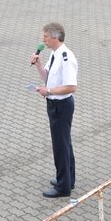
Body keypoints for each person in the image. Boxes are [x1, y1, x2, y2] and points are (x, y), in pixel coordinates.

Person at [31, 22, 79, 198]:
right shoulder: (55, 54)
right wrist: (38, 65)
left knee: (60, 146)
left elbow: (71, 86)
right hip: (54, 104)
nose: (43, 40)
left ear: (55, 37)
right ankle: (68, 179)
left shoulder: (66, 57)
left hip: (61, 106)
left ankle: (63, 187)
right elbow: (48, 78)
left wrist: (48, 91)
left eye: (46, 36)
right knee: (64, 143)